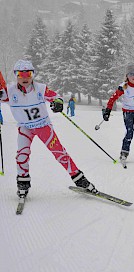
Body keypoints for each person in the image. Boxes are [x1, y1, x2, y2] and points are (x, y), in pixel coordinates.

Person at [0, 59, 97, 197]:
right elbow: (1, 93)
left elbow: (56, 97)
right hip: (24, 128)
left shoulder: (40, 88)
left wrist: (57, 103)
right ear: (16, 75)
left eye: (29, 74)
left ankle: (80, 179)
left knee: (59, 152)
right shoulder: (9, 91)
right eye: (21, 74)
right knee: (22, 155)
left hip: (43, 126)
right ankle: (23, 183)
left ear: (32, 75)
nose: (25, 77)